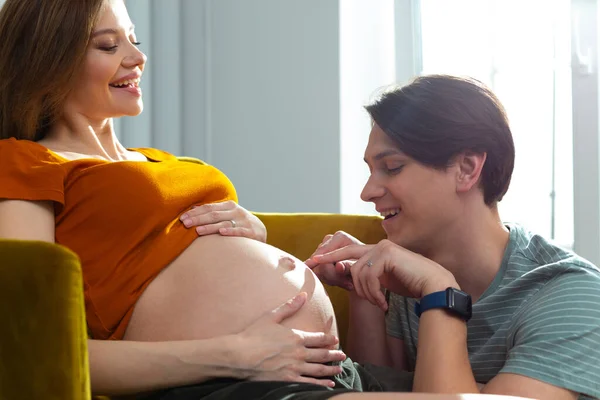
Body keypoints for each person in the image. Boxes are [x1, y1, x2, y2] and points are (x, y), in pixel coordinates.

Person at [0, 1, 496, 400]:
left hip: (320, 369)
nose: (136, 57)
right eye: (108, 45)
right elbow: (37, 346)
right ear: (50, 58)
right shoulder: (25, 163)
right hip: (227, 381)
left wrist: (254, 234)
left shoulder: (162, 162)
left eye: (135, 38)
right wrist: (236, 353)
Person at [306, 75, 600, 400]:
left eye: (392, 167)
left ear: (467, 168)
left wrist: (439, 291)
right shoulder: (400, 267)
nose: (367, 192)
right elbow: (376, 387)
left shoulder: (573, 296)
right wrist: (361, 289)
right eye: (370, 170)